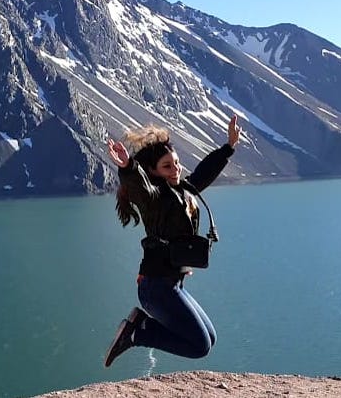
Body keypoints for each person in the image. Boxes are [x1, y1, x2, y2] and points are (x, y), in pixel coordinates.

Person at [103, 115, 241, 367]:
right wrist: (127, 167)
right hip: (155, 288)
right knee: (199, 346)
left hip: (170, 285)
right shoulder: (154, 199)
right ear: (153, 172)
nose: (176, 169)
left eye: (176, 163)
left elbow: (203, 173)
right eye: (167, 166)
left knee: (209, 338)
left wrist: (228, 147)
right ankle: (138, 332)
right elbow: (139, 186)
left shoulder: (183, 189)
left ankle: (139, 326)